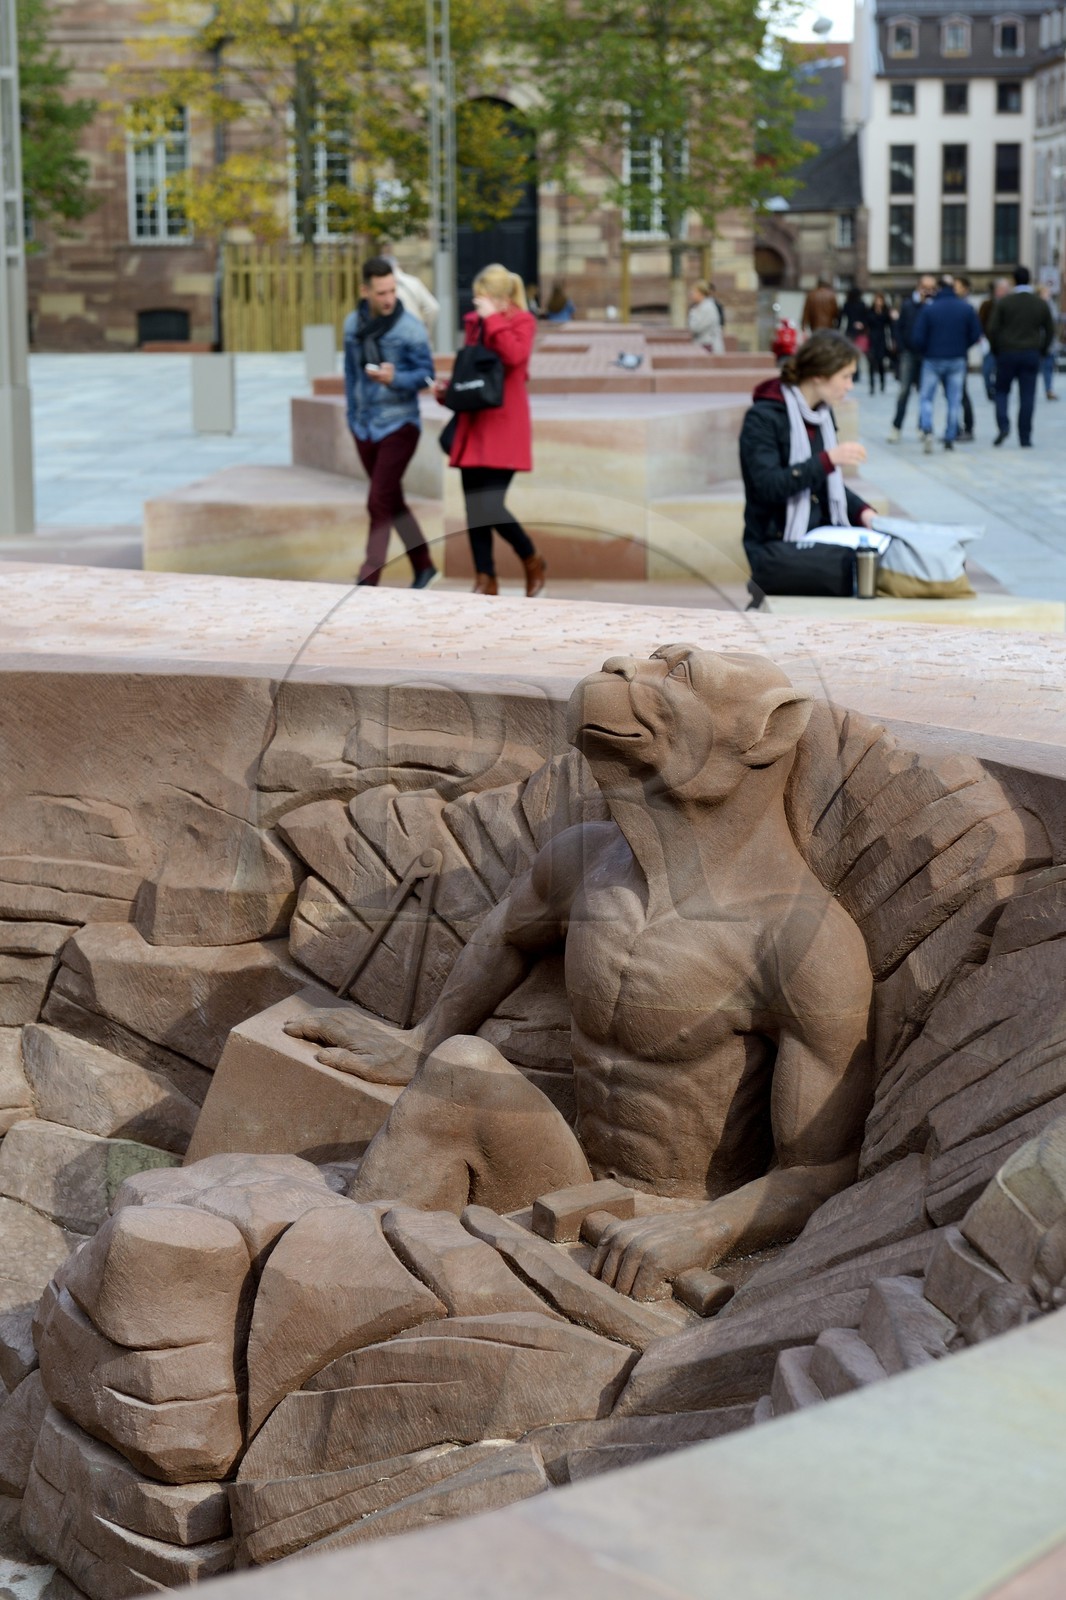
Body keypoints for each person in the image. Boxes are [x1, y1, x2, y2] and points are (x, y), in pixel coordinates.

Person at [739, 329, 875, 596]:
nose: (850, 386)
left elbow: (824, 483)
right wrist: (829, 459)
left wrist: (863, 512)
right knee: (860, 574)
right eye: (845, 376)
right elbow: (767, 486)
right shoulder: (763, 418)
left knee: (877, 556)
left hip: (818, 534)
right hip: (774, 545)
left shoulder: (821, 415)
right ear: (819, 375)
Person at [442, 264, 546, 598]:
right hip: (475, 423)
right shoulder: (475, 324)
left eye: (482, 299)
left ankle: (530, 558)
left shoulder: (521, 321)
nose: (476, 306)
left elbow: (515, 357)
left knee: (489, 504)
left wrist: (493, 321)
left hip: (504, 426)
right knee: (474, 508)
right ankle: (485, 579)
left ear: (500, 299)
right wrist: (451, 390)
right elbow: (475, 370)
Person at [343, 255, 438, 589]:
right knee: (390, 499)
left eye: (392, 290)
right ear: (365, 290)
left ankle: (368, 581)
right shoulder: (353, 324)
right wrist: (352, 415)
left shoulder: (409, 327)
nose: (388, 299)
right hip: (364, 425)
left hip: (400, 424)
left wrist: (396, 377)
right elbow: (351, 374)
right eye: (381, 292)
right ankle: (424, 565)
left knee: (378, 500)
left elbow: (427, 375)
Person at [987, 266, 1057, 447]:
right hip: (1030, 353)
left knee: (1001, 391)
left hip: (1007, 353)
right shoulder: (1039, 303)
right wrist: (1041, 350)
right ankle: (1024, 436)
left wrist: (997, 349)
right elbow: (1050, 330)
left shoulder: (1005, 302)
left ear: (1014, 280)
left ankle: (1003, 425)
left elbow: (992, 329)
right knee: (1027, 396)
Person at [913, 275, 982, 452]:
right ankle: (950, 435)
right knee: (954, 399)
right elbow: (976, 334)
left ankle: (927, 428)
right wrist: (961, 346)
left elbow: (918, 337)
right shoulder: (965, 308)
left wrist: (928, 349)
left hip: (932, 358)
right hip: (956, 359)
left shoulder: (929, 309)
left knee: (926, 397)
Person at [888, 272, 937, 441]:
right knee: (904, 391)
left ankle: (923, 427)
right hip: (908, 354)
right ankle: (896, 427)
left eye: (932, 288)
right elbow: (898, 328)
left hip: (927, 356)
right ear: (918, 287)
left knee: (925, 394)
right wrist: (902, 349)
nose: (928, 291)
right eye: (925, 288)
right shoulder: (908, 305)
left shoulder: (933, 306)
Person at [376, 241, 439, 341]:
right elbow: (434, 308)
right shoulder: (414, 282)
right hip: (415, 334)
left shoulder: (379, 285)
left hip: (391, 336)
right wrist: (426, 330)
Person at [952, 275, 977, 440]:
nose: (954, 288)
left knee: (961, 393)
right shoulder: (956, 304)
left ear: (965, 288)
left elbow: (974, 333)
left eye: (957, 286)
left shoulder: (967, 307)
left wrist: (962, 345)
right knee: (954, 393)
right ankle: (955, 427)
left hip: (959, 355)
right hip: (955, 353)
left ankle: (968, 427)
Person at [979, 278, 1010, 401]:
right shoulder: (987, 305)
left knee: (1000, 371)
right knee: (987, 370)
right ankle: (990, 390)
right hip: (989, 343)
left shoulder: (1010, 304)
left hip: (1005, 344)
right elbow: (981, 321)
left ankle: (998, 390)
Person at [865, 292, 894, 393]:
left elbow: (890, 325)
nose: (878, 302)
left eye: (880, 300)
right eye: (877, 300)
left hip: (882, 338)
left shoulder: (885, 312)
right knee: (872, 363)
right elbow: (866, 323)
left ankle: (882, 383)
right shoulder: (870, 311)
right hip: (872, 338)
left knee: (881, 362)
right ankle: (872, 385)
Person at [687, 279, 724, 353]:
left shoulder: (708, 307)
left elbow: (696, 328)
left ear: (700, 293)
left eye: (694, 292)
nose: (691, 294)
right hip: (701, 344)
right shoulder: (699, 306)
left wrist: (693, 314)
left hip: (708, 346)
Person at [1038, 283, 1059, 401]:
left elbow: (1054, 319)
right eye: (1046, 292)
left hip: (1049, 342)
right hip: (1036, 341)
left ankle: (1048, 389)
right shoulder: (1037, 305)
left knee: (1048, 366)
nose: (1048, 295)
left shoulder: (1051, 305)